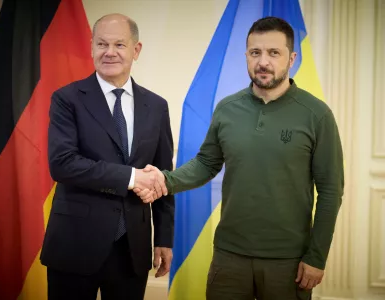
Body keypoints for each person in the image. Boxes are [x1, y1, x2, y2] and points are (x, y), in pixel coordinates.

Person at [135, 17, 344, 300]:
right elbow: (206, 163)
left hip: (288, 261)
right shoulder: (227, 109)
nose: (263, 62)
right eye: (255, 52)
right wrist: (165, 179)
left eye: (274, 53)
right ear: (246, 55)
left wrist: (316, 257)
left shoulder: (317, 115)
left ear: (291, 58)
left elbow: (331, 191)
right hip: (229, 256)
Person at [40, 13, 174, 300]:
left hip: (132, 249)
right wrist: (132, 177)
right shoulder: (67, 99)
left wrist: (164, 239)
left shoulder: (157, 106)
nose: (109, 52)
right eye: (101, 44)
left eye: (119, 45)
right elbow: (62, 164)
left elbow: (162, 175)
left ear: (136, 50)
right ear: (91, 47)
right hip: (75, 245)